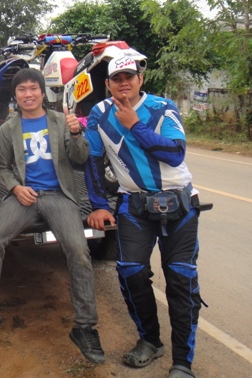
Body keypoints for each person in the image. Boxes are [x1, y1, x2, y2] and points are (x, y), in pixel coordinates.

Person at [0, 68, 105, 365]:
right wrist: (16, 188)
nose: (28, 94)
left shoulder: (61, 121)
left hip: (58, 196)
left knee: (78, 250)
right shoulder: (8, 128)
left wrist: (76, 133)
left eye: (33, 88)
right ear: (15, 96)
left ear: (42, 92)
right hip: (23, 197)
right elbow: (1, 168)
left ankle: (85, 327)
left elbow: (80, 158)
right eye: (22, 89)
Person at [84, 54, 202, 378]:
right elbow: (93, 160)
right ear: (107, 84)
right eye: (117, 78)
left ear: (140, 80)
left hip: (179, 204)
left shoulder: (163, 108)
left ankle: (183, 362)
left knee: (180, 278)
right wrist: (99, 204)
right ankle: (150, 340)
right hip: (134, 205)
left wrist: (134, 124)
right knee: (131, 272)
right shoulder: (99, 114)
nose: (124, 83)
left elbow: (175, 153)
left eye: (129, 77)